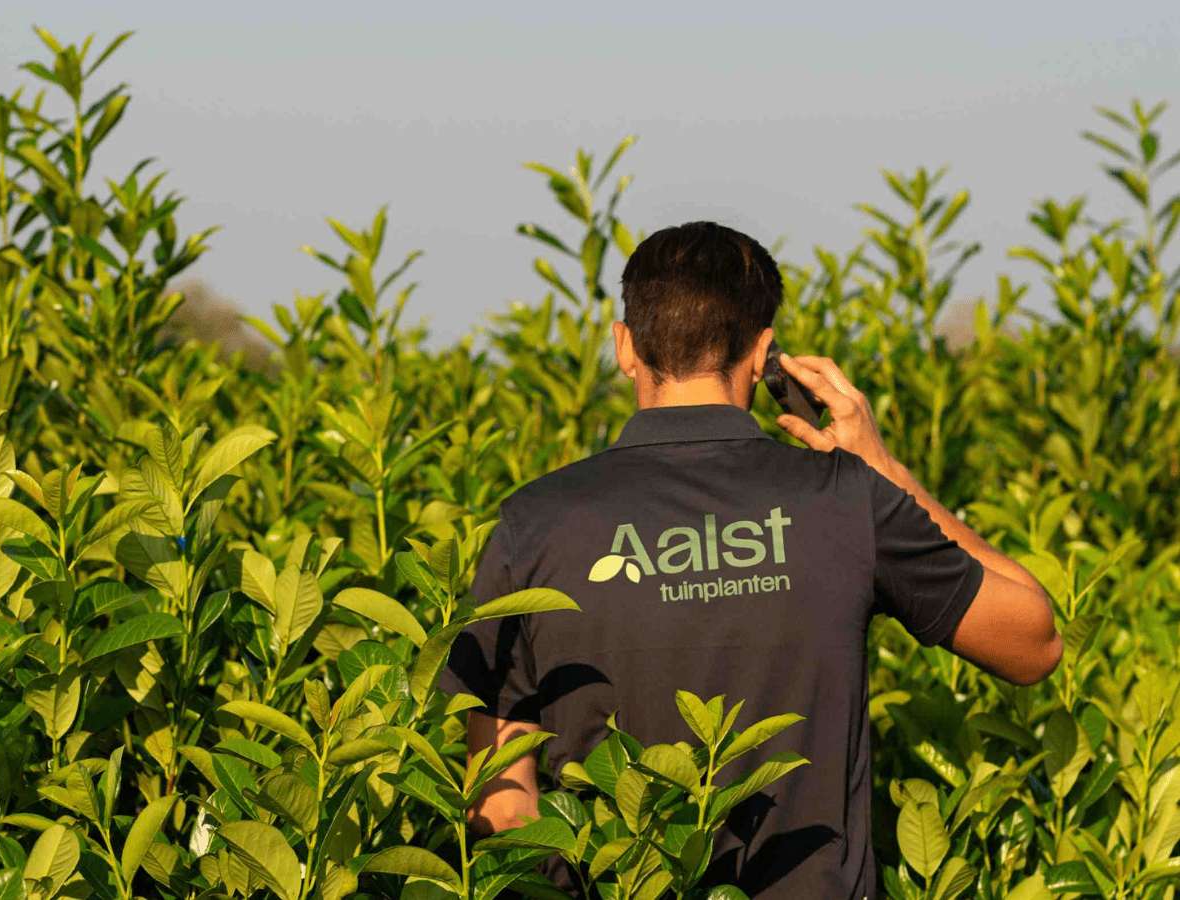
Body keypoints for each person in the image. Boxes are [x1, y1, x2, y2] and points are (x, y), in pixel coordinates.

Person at [438, 221, 1062, 898]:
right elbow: (1034, 642)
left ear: (624, 347)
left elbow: (500, 805)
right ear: (764, 354)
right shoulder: (846, 501)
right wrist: (885, 472)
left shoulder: (533, 524)